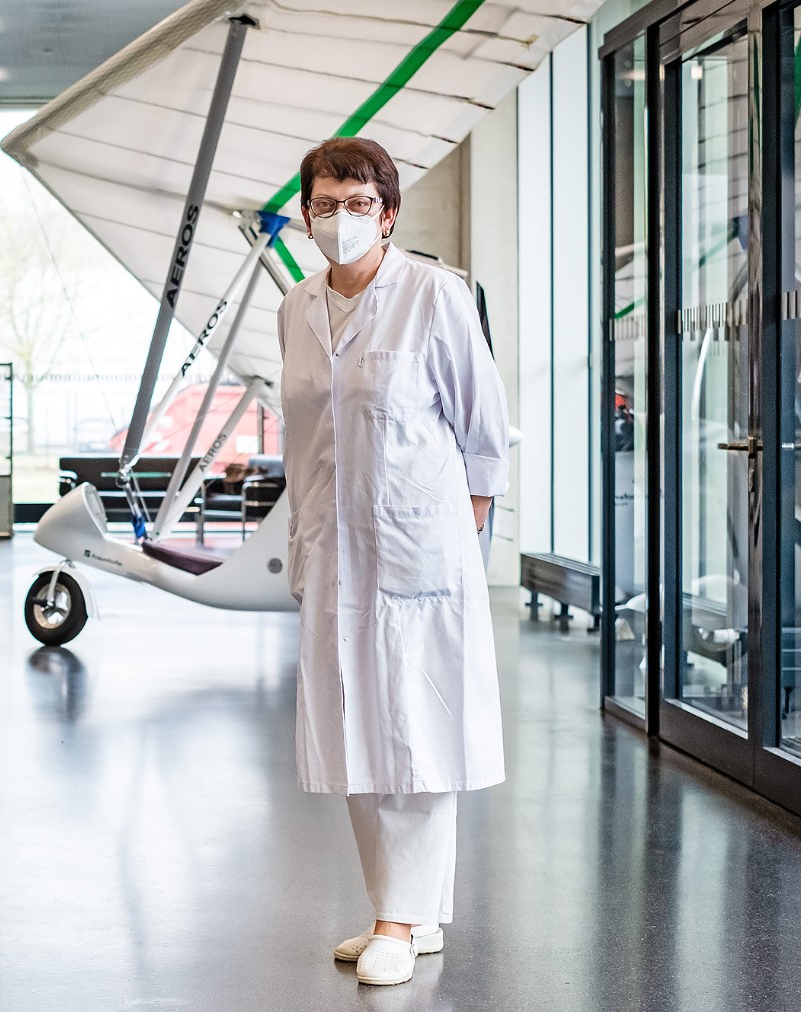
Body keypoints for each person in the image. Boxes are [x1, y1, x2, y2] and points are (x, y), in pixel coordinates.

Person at [276, 138, 509, 986]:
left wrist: (460, 546)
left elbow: (484, 438)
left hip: (420, 555)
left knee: (414, 732)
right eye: (327, 204)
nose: (342, 219)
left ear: (390, 213)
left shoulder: (434, 296)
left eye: (359, 204)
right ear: (306, 214)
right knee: (354, 732)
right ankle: (411, 911)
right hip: (333, 550)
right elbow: (303, 439)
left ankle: (396, 922)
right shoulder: (295, 307)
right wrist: (302, 543)